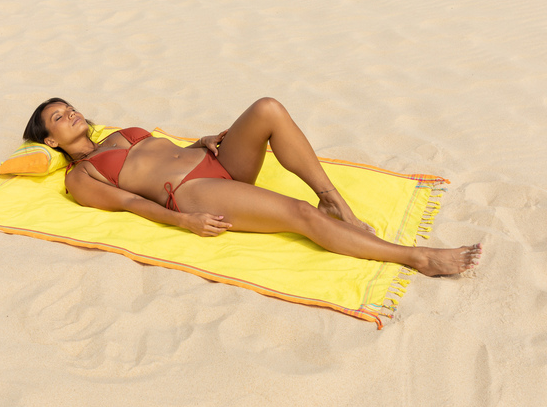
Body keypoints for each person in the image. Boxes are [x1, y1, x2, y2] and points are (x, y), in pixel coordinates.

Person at [24, 97, 482, 276]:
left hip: (213, 161)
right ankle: (418, 258)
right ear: (51, 141)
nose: (71, 114)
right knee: (299, 214)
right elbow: (130, 203)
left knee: (268, 109)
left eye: (69, 108)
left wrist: (200, 141)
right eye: (58, 118)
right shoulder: (81, 177)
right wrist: (184, 221)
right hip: (195, 191)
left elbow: (165, 151)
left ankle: (335, 201)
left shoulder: (122, 133)